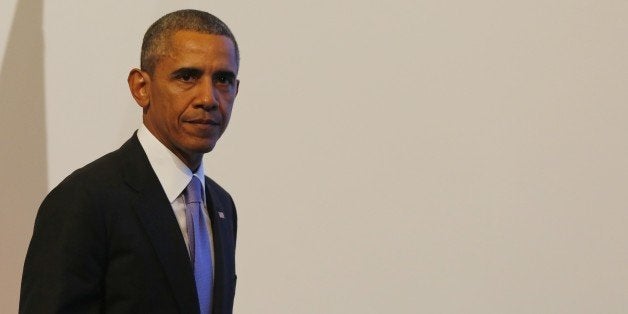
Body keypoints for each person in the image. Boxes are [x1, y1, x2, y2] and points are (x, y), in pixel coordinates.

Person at [19, 9, 239, 314]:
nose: (209, 98)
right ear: (141, 87)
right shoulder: (83, 200)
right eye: (187, 76)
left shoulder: (221, 206)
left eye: (223, 80)